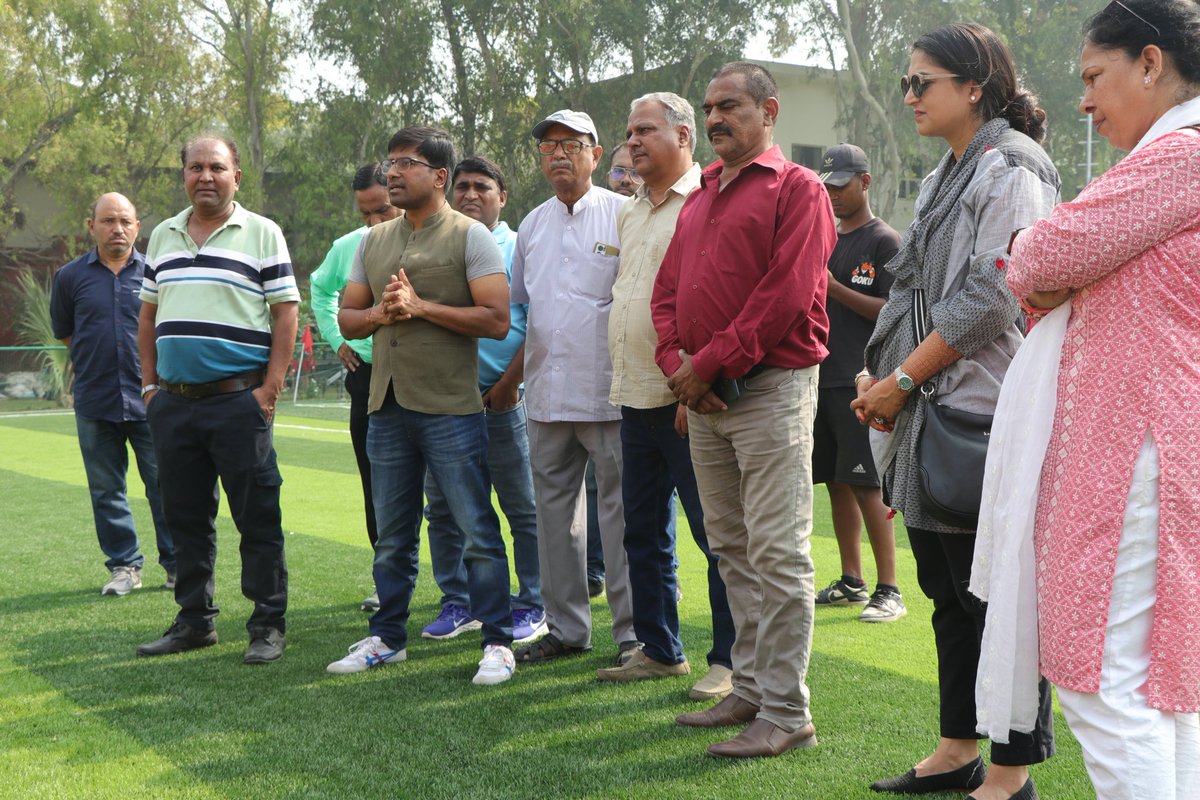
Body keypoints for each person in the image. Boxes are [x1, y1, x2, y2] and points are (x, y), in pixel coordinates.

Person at [851, 24, 1059, 799]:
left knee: (997, 600)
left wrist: (900, 380)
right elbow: (911, 289)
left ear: (975, 87)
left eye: (922, 82)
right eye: (906, 83)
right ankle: (956, 748)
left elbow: (993, 295)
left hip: (985, 414)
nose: (909, 96)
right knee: (946, 592)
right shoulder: (949, 167)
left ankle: (1009, 774)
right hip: (930, 409)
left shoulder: (1013, 165)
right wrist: (880, 376)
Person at [1004, 3, 1200, 797]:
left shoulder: (1179, 157)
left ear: (1149, 63)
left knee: (1104, 683)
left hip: (1133, 448)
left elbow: (1037, 258)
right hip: (1153, 441)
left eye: (1094, 76)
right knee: (1161, 688)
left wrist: (1042, 261)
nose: (1083, 101)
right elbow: (1049, 271)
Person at [652, 62, 836, 758]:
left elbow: (786, 294)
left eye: (729, 105)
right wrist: (680, 369)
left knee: (778, 552)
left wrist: (708, 363)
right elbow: (666, 295)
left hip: (771, 388)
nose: (714, 119)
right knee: (730, 547)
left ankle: (787, 711)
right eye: (708, 108)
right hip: (704, 398)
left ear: (769, 110)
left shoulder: (799, 188)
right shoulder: (701, 192)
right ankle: (752, 688)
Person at [327, 127, 516, 686]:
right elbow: (347, 318)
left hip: (451, 409)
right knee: (392, 535)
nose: (392, 172)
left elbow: (497, 320)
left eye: (406, 162)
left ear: (438, 176)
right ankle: (388, 638)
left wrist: (421, 306)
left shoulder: (471, 236)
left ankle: (498, 641)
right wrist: (380, 315)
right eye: (390, 161)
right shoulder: (372, 241)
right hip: (386, 407)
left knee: (477, 529)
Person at [135, 135, 299, 665]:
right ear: (184, 174)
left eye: (217, 167)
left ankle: (267, 624)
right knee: (185, 517)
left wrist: (269, 389)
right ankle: (194, 621)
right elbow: (147, 315)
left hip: (239, 401)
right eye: (195, 167)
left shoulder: (262, 232)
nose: (205, 176)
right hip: (173, 404)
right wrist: (150, 387)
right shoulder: (162, 234)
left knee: (257, 516)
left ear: (236, 176)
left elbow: (285, 312)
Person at [596, 92, 736, 701]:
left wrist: (689, 387)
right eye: (630, 132)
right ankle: (658, 649)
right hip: (633, 395)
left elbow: (708, 300)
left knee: (716, 535)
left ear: (683, 136)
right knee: (642, 532)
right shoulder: (630, 211)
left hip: (686, 396)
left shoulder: (706, 200)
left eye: (645, 130)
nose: (632, 142)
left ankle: (731, 660)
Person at [510, 109, 636, 665]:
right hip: (546, 391)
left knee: (622, 516)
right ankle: (566, 629)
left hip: (609, 390)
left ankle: (634, 634)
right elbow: (524, 307)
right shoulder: (532, 225)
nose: (558, 154)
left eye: (571, 144)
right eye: (548, 146)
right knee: (555, 518)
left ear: (595, 153)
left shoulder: (624, 215)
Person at [420, 155, 546, 645]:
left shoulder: (519, 248)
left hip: (502, 401)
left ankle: (531, 601)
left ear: (502, 197)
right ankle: (460, 601)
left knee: (522, 507)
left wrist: (509, 385)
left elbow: (539, 324)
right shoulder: (438, 242)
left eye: (482, 187)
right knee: (443, 510)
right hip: (443, 404)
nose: (470, 194)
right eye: (463, 186)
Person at [50, 192, 175, 596]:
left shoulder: (157, 273)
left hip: (152, 399)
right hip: (95, 400)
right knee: (107, 490)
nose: (116, 228)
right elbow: (67, 333)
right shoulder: (70, 277)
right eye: (107, 221)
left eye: (124, 221)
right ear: (92, 227)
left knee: (166, 485)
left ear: (137, 227)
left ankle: (178, 566)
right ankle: (124, 566)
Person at [812, 144, 905, 622]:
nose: (832, 194)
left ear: (865, 182)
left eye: (841, 185)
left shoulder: (884, 241)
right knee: (836, 480)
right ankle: (852, 580)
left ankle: (890, 588)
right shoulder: (825, 238)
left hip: (863, 381)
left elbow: (893, 309)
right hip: (821, 376)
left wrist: (836, 288)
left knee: (868, 484)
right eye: (826, 186)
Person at [309, 162, 402, 613]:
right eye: (365, 213)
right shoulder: (349, 246)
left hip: (429, 373)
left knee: (447, 486)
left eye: (382, 210)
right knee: (376, 482)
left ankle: (459, 591)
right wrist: (337, 338)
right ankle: (387, 582)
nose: (373, 222)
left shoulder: (431, 238)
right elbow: (319, 289)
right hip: (367, 376)